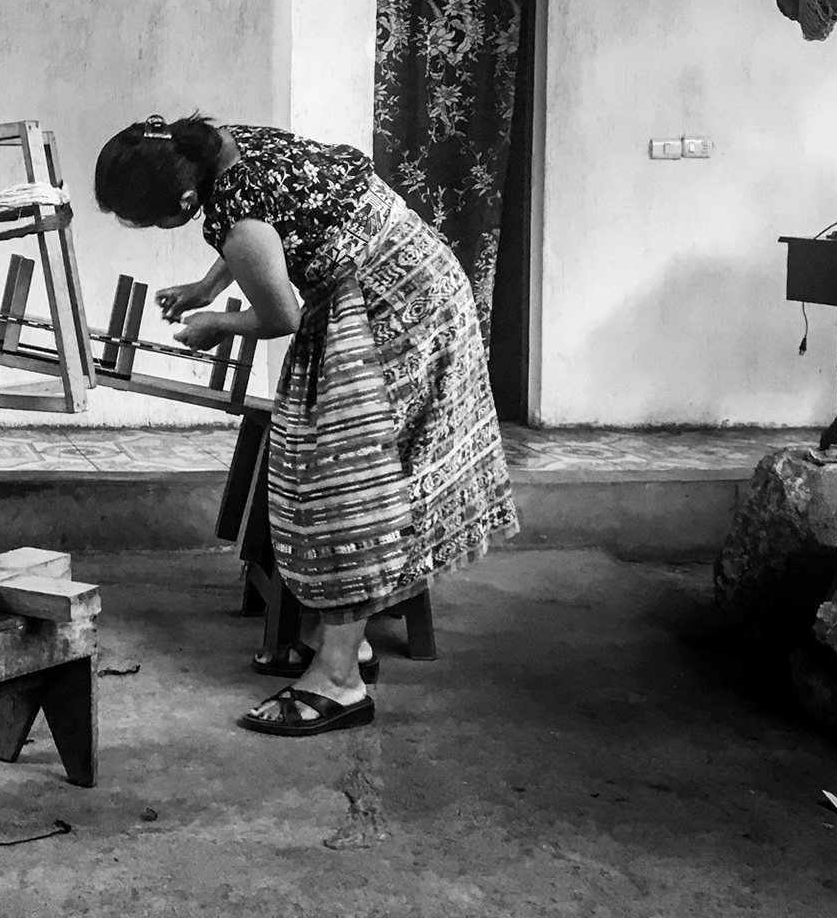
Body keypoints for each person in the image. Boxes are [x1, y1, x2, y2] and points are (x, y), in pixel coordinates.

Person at [93, 114, 518, 737]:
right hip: (411, 274)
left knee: (347, 480)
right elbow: (254, 229)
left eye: (159, 218)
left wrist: (217, 324)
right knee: (325, 461)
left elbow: (280, 311)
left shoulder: (235, 215)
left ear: (185, 198)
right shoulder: (217, 141)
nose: (161, 226)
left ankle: (340, 679)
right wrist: (210, 286)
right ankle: (348, 643)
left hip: (395, 308)